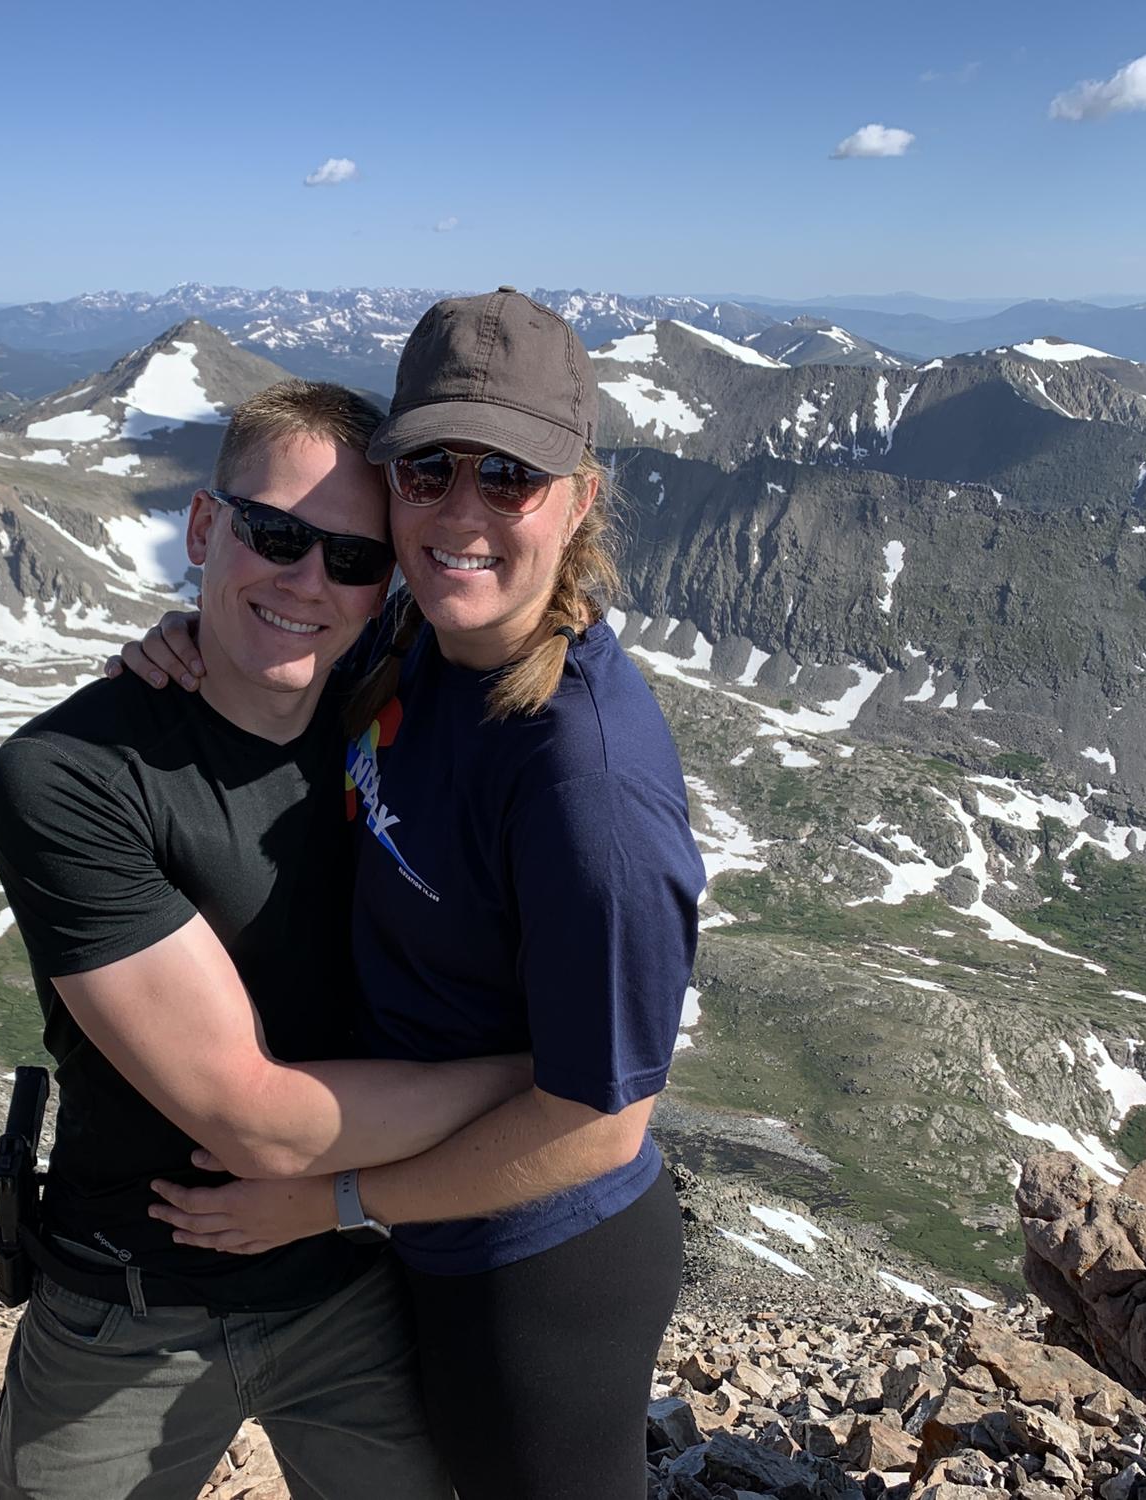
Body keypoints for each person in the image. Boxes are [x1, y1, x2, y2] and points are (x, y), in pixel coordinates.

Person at [119, 290, 707, 1500]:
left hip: (537, 1269)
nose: (459, 513)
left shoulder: (582, 786)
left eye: (509, 476)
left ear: (578, 500)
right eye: (427, 468)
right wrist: (188, 642)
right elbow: (289, 618)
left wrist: (331, 1202)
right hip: (430, 1226)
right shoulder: (414, 630)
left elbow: (601, 1118)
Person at [0, 379, 533, 1500]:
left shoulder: (393, 718)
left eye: (351, 560)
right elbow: (255, 1122)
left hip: (355, 1288)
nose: (305, 580)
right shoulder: (67, 778)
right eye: (274, 535)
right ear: (201, 526)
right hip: (125, 1313)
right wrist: (549, 1079)